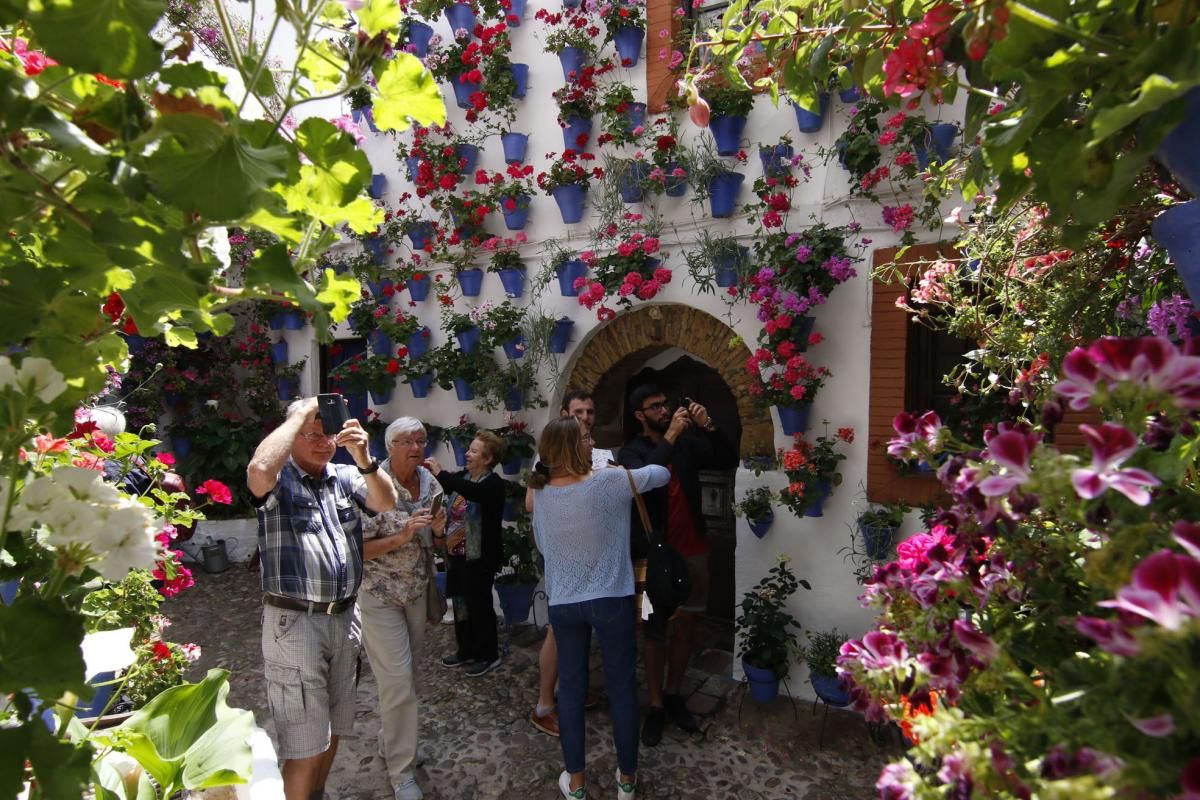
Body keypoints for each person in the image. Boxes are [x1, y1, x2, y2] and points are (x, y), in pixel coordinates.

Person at [246, 397, 397, 800]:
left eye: (326, 434)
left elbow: (385, 502)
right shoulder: (279, 480)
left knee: (333, 730)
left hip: (345, 618)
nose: (321, 443)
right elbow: (259, 470)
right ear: (292, 436)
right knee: (303, 743)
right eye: (310, 436)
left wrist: (364, 455)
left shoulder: (344, 476)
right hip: (295, 623)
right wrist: (297, 415)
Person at [530, 417, 669, 800]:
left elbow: (543, 546)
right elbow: (660, 473)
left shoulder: (541, 494)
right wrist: (621, 469)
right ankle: (626, 780)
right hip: (611, 598)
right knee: (622, 687)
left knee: (571, 691)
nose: (593, 442)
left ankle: (575, 783)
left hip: (564, 603)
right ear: (573, 448)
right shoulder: (609, 481)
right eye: (587, 437)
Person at [618, 384, 739, 746]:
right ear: (640, 415)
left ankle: (673, 695)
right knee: (655, 629)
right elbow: (644, 481)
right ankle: (655, 705)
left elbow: (726, 458)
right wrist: (670, 436)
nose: (665, 410)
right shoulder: (631, 452)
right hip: (656, 553)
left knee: (688, 623)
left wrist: (710, 427)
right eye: (655, 406)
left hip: (693, 547)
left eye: (665, 404)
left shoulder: (686, 443)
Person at [358, 418, 447, 800]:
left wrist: (440, 529)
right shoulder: (372, 485)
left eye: (421, 440)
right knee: (397, 682)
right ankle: (401, 771)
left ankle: (394, 742)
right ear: (389, 446)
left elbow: (439, 540)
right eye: (406, 441)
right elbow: (357, 551)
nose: (415, 447)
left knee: (407, 678)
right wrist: (403, 535)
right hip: (379, 596)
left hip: (415, 592)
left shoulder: (430, 483)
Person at [530, 390, 611, 737]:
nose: (586, 417)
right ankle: (544, 705)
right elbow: (533, 503)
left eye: (591, 411)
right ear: (565, 413)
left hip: (594, 554)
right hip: (564, 554)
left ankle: (569, 689)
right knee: (557, 630)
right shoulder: (550, 454)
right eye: (579, 411)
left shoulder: (601, 453)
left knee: (579, 630)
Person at [425, 430, 506, 677]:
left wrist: (441, 473)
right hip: (456, 557)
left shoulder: (492, 484)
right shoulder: (463, 478)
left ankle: (487, 654)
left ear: (488, 459)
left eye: (473, 451)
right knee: (460, 604)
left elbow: (471, 492)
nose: (467, 454)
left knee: (479, 607)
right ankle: (465, 649)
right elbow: (451, 490)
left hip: (479, 559)